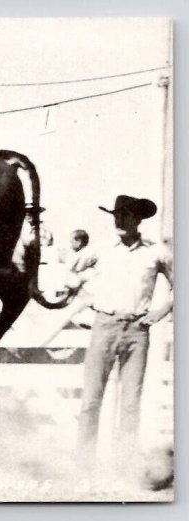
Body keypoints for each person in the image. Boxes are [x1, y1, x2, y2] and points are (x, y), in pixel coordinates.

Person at [66, 195, 173, 469]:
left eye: (126, 215)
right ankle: (83, 464)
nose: (120, 220)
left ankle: (123, 466)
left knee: (130, 403)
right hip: (105, 325)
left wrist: (160, 313)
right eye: (117, 215)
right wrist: (86, 295)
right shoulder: (101, 249)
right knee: (91, 399)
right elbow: (69, 272)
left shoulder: (156, 252)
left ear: (138, 220)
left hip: (137, 330)